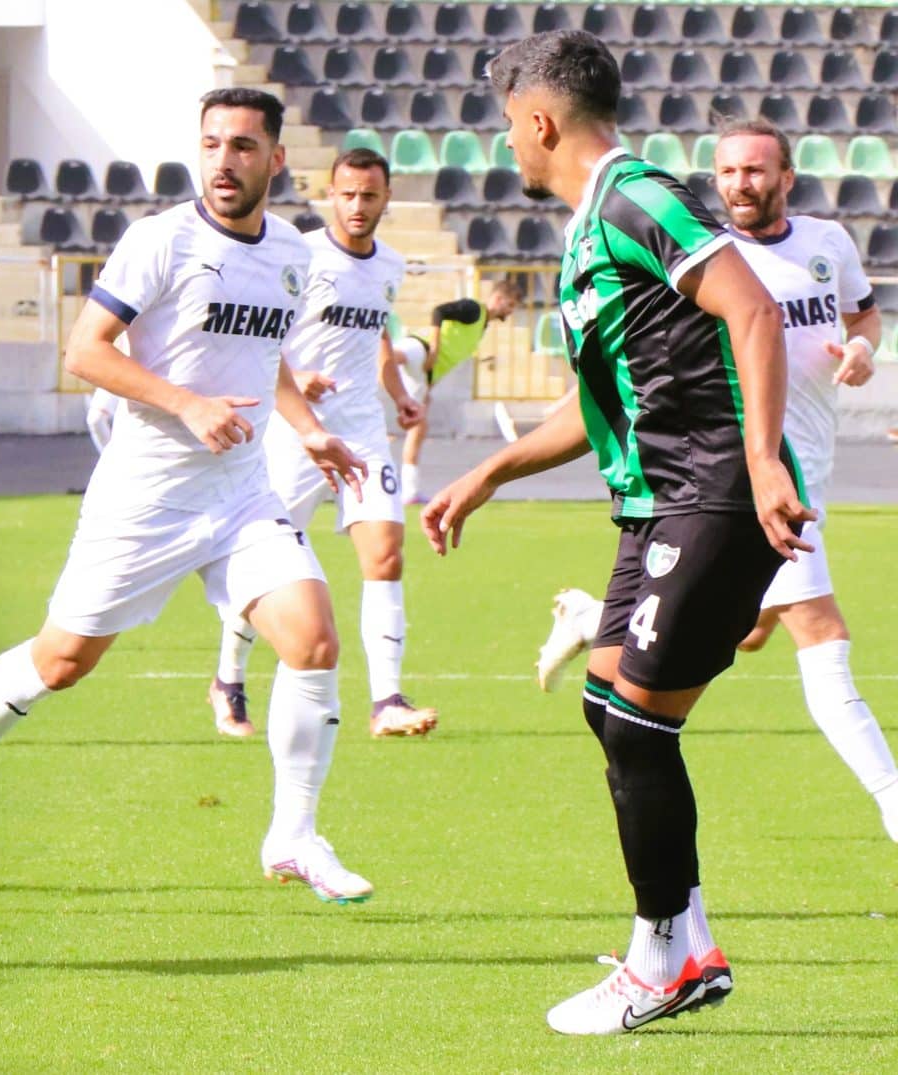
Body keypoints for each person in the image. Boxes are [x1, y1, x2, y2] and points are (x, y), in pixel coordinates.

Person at [420, 31, 812, 1035]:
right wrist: (485, 473)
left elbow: (753, 312)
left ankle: (658, 960)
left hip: (716, 491)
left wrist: (764, 461)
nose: (507, 142)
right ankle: (687, 944)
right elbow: (597, 405)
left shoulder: (637, 196)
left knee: (637, 721)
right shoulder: (592, 224)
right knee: (609, 708)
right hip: (651, 502)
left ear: (540, 121)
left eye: (509, 124)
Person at [0, 90, 373, 907]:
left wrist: (309, 426)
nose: (225, 160)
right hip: (146, 496)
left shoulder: (292, 252)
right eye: (213, 143)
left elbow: (267, 359)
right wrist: (185, 404)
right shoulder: (160, 240)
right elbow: (84, 350)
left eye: (245, 146)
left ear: (276, 160)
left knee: (315, 639)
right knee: (60, 663)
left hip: (239, 490)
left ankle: (294, 832)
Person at [533, 118, 895, 843]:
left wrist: (859, 347)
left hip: (806, 469)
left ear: (787, 176)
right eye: (728, 171)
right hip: (751, 473)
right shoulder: (701, 257)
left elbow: (865, 313)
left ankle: (596, 618)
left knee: (746, 630)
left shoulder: (827, 244)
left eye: (756, 171)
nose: (740, 184)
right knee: (820, 632)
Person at [211, 148, 437, 741]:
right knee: (270, 566)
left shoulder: (389, 264)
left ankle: (386, 700)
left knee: (386, 553)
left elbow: (379, 338)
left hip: (362, 430)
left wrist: (400, 393)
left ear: (386, 199)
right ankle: (228, 678)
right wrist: (294, 376)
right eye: (348, 194)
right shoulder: (300, 255)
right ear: (330, 196)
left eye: (369, 195)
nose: (358, 206)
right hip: (296, 431)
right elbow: (263, 329)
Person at [394, 277, 522, 502]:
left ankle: (410, 491)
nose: (509, 312)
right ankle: (358, 361)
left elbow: (451, 354)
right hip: (422, 348)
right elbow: (439, 311)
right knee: (398, 356)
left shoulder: (481, 326)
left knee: (418, 427)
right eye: (510, 305)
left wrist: (429, 386)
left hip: (426, 374)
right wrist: (433, 346)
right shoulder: (474, 309)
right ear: (498, 299)